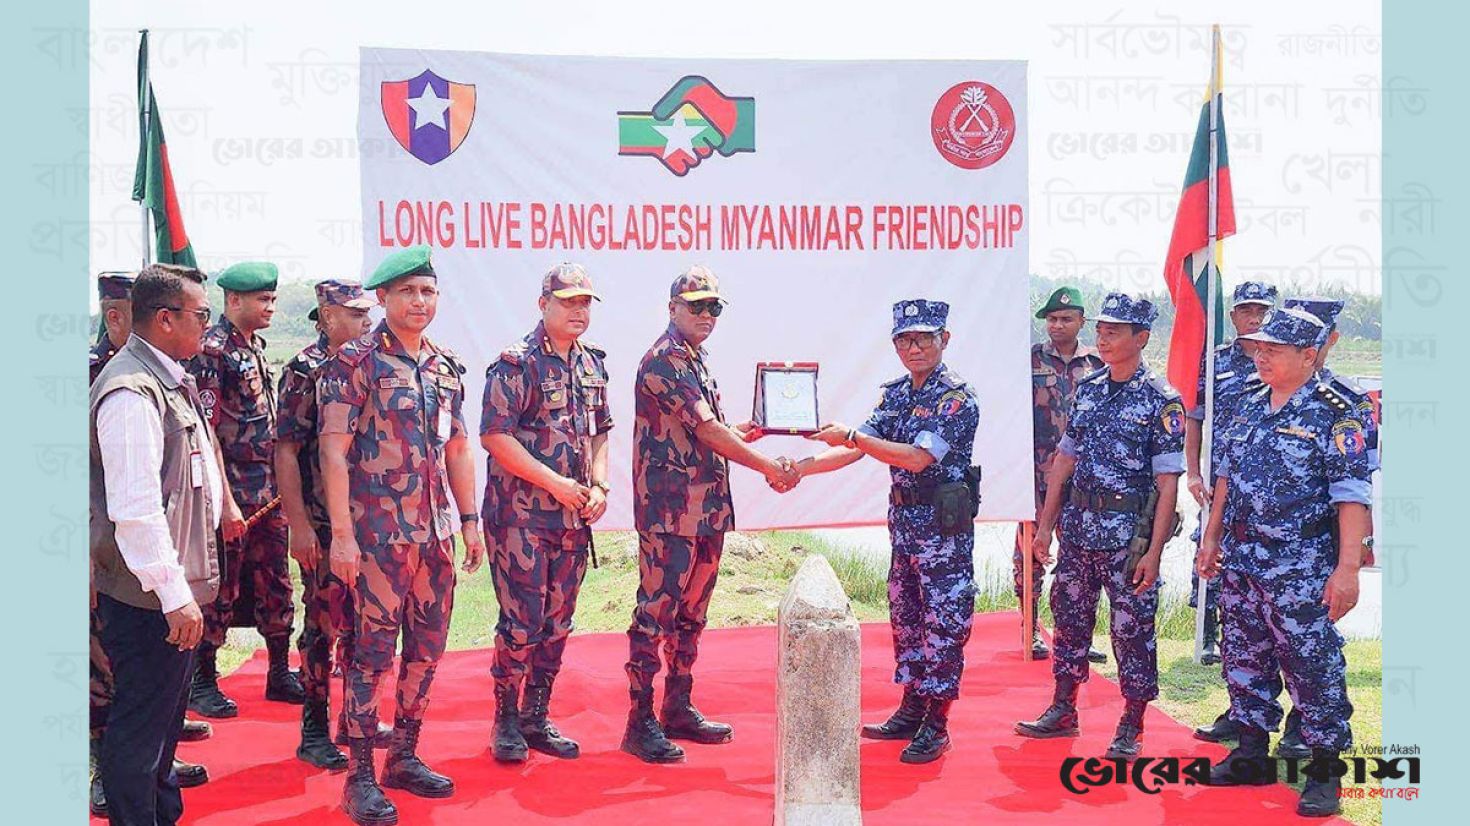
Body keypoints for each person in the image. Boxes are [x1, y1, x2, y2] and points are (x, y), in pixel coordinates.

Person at [319, 245, 486, 825]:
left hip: (434, 534)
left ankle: (405, 756)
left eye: (428, 291)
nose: (420, 301)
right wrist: (342, 534)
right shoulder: (355, 363)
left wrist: (470, 520)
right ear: (384, 298)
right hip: (376, 538)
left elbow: (459, 449)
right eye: (408, 291)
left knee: (426, 649)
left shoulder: (445, 367)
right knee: (369, 654)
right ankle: (360, 775)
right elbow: (333, 452)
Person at [1196, 307, 1371, 818]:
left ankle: (1324, 771)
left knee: (1312, 666)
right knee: (1244, 657)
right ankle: (1251, 752)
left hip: (1302, 566)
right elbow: (1225, 477)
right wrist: (1211, 537)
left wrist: (1348, 570)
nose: (1261, 354)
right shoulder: (1247, 404)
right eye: (1259, 346)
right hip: (1243, 559)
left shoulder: (1338, 411)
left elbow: (1352, 497)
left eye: (1273, 349)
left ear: (1309, 355)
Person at [621, 265, 799, 764]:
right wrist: (766, 465)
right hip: (669, 514)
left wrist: (751, 432)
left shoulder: (695, 360)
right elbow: (705, 430)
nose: (705, 314)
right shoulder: (665, 361)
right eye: (695, 305)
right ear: (672, 308)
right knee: (654, 616)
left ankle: (677, 706)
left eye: (713, 306)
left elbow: (711, 428)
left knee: (692, 615)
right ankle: (640, 722)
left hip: (705, 511)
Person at [798, 298, 980, 763]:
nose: (914, 347)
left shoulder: (956, 397)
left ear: (945, 339)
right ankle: (912, 707)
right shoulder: (897, 393)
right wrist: (799, 468)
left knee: (944, 623)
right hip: (904, 528)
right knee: (907, 618)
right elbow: (856, 447)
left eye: (923, 337)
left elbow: (917, 457)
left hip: (943, 533)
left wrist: (854, 439)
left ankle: (937, 723)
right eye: (904, 339)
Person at [1015, 292, 1184, 760]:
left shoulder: (1161, 401)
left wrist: (1154, 553)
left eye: (1115, 330)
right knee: (1068, 620)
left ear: (1142, 338)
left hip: (1127, 535)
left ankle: (1132, 721)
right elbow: (1064, 461)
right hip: (1079, 528)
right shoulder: (1088, 389)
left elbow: (1168, 484)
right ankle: (1063, 708)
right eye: (1102, 329)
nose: (1103, 337)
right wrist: (1046, 526)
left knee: (1131, 630)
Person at [90, 263, 222, 825]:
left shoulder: (166, 376)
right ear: (165, 319)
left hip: (168, 590)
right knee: (139, 735)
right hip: (149, 597)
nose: (206, 327)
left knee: (164, 731)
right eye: (201, 315)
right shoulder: (130, 390)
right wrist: (174, 595)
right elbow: (136, 509)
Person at [481, 263, 612, 763]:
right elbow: (495, 437)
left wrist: (599, 484)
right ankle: (506, 719)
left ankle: (537, 716)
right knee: (521, 623)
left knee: (557, 622)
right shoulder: (516, 365)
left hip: (572, 520)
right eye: (568, 302)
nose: (578, 311)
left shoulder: (592, 364)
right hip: (521, 519)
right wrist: (556, 484)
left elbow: (601, 431)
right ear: (543, 305)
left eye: (585, 303)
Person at [186, 261, 303, 718]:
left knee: (275, 582)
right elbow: (206, 430)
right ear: (233, 300)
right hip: (233, 494)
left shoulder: (253, 346)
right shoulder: (213, 351)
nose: (270, 306)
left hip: (268, 493)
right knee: (222, 587)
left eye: (273, 299)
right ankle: (203, 681)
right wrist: (226, 503)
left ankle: (279, 672)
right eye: (262, 300)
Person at [274, 279, 380, 770]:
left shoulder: (371, 364)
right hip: (321, 523)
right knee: (321, 626)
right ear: (327, 314)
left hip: (371, 524)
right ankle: (314, 727)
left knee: (366, 626)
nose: (365, 322)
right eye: (355, 314)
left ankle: (354, 720)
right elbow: (287, 451)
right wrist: (299, 524)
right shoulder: (304, 370)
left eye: (367, 314)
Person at [1187, 281, 1276, 743]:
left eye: (1262, 308)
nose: (1254, 317)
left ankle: (1299, 723)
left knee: (1286, 622)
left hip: (1280, 508)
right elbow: (1195, 417)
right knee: (1234, 608)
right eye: (1246, 309)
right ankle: (1240, 708)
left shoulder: (1287, 360)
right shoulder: (1216, 360)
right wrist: (1193, 471)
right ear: (1235, 314)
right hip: (1226, 491)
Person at [1020, 287, 1104, 661]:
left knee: (1083, 558)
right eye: (1052, 319)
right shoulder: (1029, 361)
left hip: (1084, 480)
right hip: (1037, 475)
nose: (1057, 325)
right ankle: (1030, 629)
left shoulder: (1098, 366)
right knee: (1030, 553)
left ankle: (1078, 635)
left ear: (1081, 322)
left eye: (1066, 319)